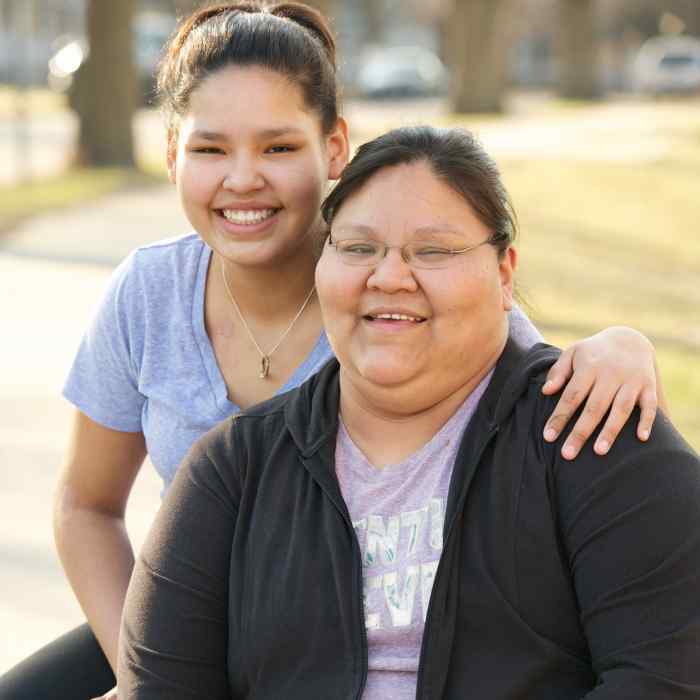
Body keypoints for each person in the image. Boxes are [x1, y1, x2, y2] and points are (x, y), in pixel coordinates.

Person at [0, 4, 666, 700]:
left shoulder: (381, 292)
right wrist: (139, 671)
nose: (243, 178)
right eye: (210, 149)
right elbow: (86, 505)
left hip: (345, 631)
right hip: (188, 618)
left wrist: (623, 346)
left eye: (279, 148)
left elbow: (518, 358)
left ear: (335, 149)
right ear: (172, 153)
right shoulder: (148, 293)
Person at [118, 125, 700, 699]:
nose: (390, 277)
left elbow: (666, 678)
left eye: (434, 251)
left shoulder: (592, 428)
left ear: (503, 273)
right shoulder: (233, 469)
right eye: (358, 248)